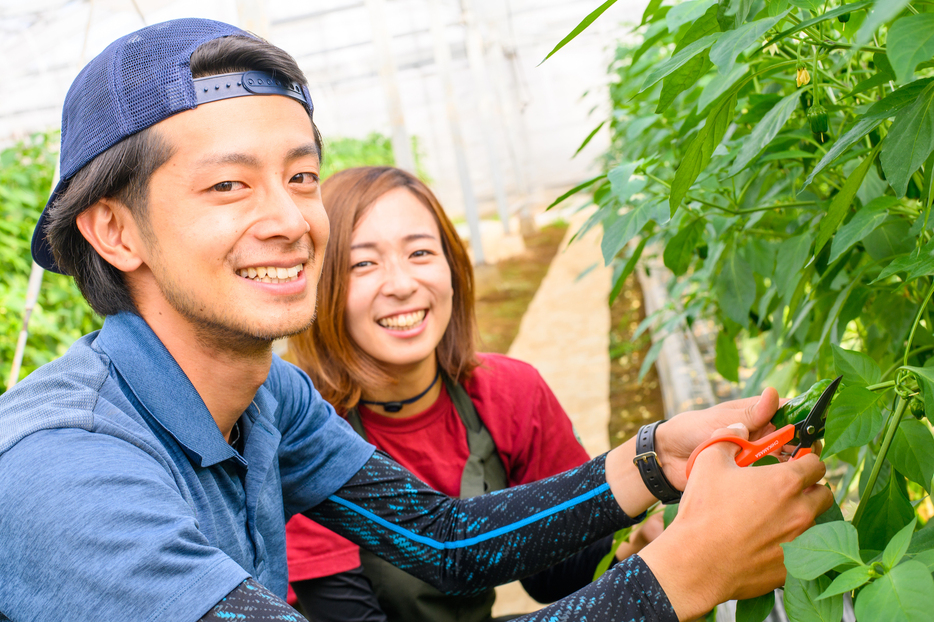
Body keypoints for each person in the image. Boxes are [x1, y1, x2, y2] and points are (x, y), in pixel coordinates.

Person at [0, 18, 832, 622]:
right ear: (113, 230)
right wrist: (682, 572)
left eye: (300, 176)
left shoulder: (266, 398)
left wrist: (656, 459)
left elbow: (443, 540)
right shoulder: (63, 476)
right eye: (229, 185)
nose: (292, 219)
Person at [283, 166, 664, 621]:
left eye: (420, 252)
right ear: (322, 286)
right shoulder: (303, 436)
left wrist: (633, 550)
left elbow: (552, 576)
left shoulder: (510, 394)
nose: (402, 285)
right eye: (363, 263)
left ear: (452, 267)